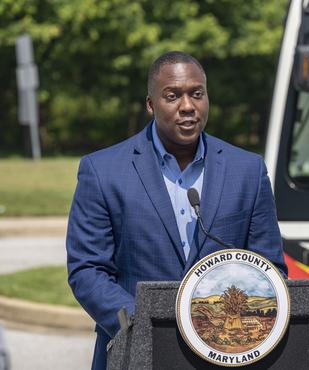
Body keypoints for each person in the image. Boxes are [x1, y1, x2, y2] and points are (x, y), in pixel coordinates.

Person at [66, 51, 288, 370]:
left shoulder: (248, 170)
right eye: (172, 96)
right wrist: (136, 325)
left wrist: (229, 329)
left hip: (223, 355)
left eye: (197, 94)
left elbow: (271, 269)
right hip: (134, 351)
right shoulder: (102, 170)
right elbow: (87, 270)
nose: (187, 106)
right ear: (151, 104)